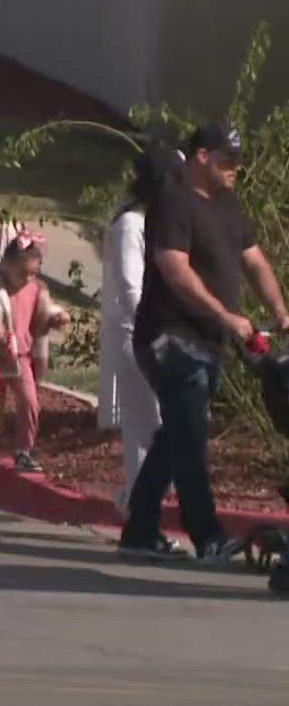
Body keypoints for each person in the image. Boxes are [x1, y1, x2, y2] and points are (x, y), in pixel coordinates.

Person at [118, 124, 288, 563]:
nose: (237, 169)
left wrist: (281, 309)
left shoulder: (229, 205)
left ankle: (139, 530)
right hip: (169, 337)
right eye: (229, 159)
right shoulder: (173, 202)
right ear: (202, 157)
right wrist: (226, 316)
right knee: (191, 437)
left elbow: (254, 261)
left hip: (207, 341)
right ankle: (207, 535)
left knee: (176, 434)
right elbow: (174, 268)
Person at [100, 148, 172, 509]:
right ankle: (142, 513)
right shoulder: (131, 224)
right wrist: (153, 331)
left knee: (163, 424)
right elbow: (131, 286)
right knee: (145, 427)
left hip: (159, 335)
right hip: (137, 334)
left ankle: (138, 501)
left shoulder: (160, 223)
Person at [0, 233, 68, 472]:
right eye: (21, 272)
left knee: (30, 402)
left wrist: (56, 317)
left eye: (32, 273)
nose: (26, 278)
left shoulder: (35, 289)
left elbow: (45, 311)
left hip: (21, 355)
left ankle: (24, 450)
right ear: (5, 265)